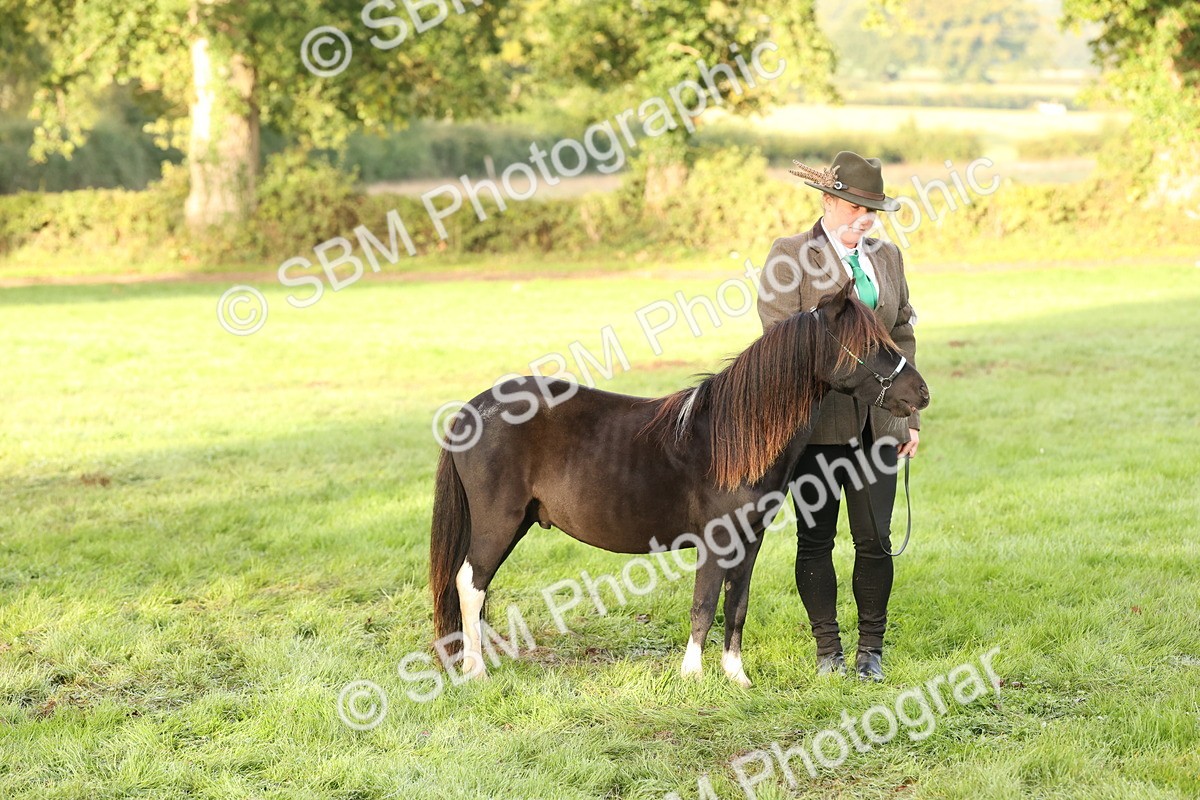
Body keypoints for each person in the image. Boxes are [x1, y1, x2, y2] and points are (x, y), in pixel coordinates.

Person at [756, 151, 921, 682]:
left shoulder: (887, 257)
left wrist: (909, 417)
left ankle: (871, 650)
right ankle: (828, 649)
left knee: (874, 539)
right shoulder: (790, 256)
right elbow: (779, 340)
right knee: (816, 539)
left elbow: (901, 334)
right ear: (828, 201)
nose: (864, 219)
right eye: (855, 208)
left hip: (881, 426)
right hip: (817, 428)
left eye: (872, 211)